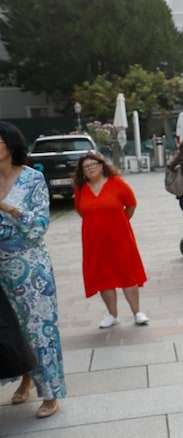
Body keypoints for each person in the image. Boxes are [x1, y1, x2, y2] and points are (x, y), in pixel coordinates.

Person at [0, 121, 65, 418]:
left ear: (10, 145)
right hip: (0, 269)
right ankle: (25, 379)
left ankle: (50, 392)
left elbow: (38, 227)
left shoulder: (33, 179)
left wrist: (9, 208)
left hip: (31, 268)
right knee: (11, 331)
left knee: (40, 330)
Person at [72, 153, 149, 328]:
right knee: (102, 276)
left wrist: (120, 222)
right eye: (86, 166)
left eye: (93, 164)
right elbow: (80, 210)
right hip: (94, 240)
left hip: (120, 237)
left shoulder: (117, 183)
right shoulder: (80, 188)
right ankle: (112, 315)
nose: (90, 168)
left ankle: (137, 312)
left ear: (101, 165)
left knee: (127, 273)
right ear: (82, 172)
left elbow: (131, 204)